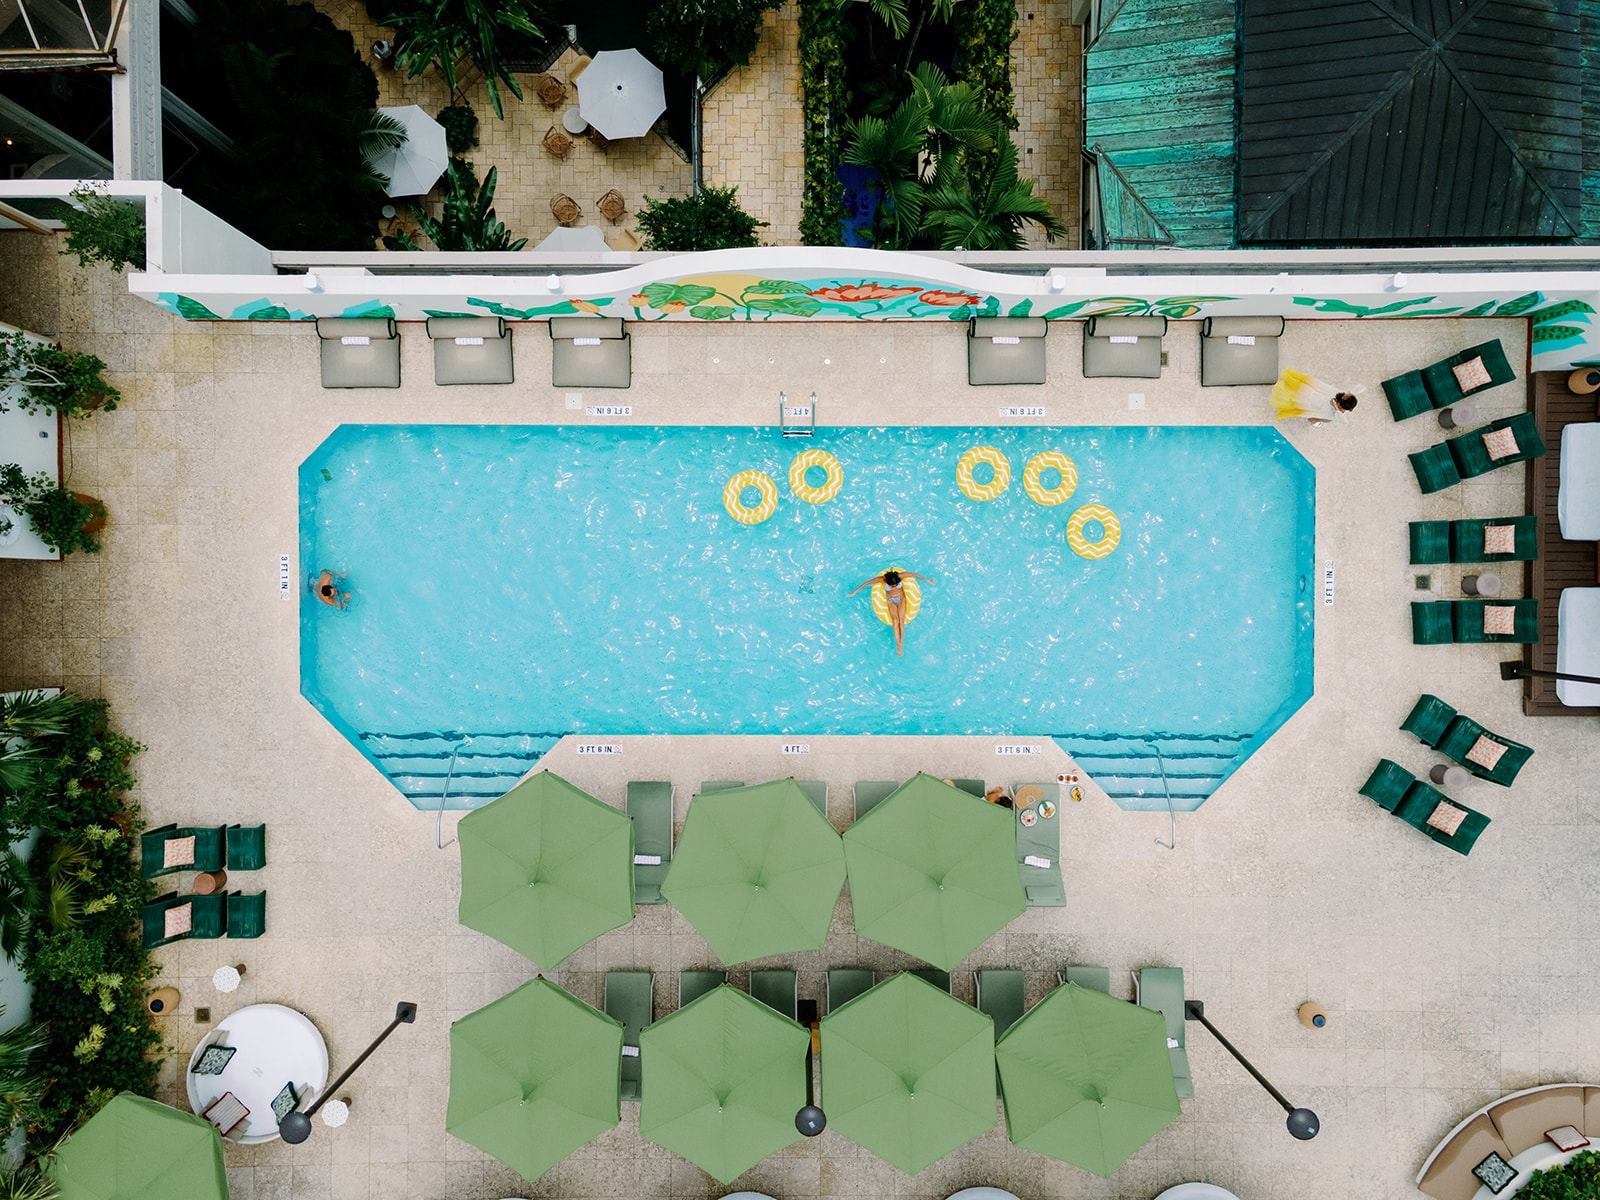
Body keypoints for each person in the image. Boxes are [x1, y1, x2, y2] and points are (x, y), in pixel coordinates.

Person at [849, 568, 933, 657]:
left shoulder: (900, 576)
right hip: (891, 600)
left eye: (896, 585)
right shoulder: (882, 579)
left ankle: (901, 644)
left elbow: (914, 574)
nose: (894, 587)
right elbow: (867, 583)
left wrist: (927, 580)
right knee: (895, 620)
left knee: (901, 620)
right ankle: (898, 645)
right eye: (892, 586)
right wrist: (855, 592)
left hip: (901, 598)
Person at [1271, 369, 1360, 425]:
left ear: (1344, 399)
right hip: (1312, 401)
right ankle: (1314, 421)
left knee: (1298, 395)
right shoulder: (1336, 410)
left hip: (1312, 399)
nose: (1346, 393)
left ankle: (1314, 421)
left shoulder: (1336, 405)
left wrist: (1336, 407)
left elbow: (1344, 422)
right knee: (1320, 418)